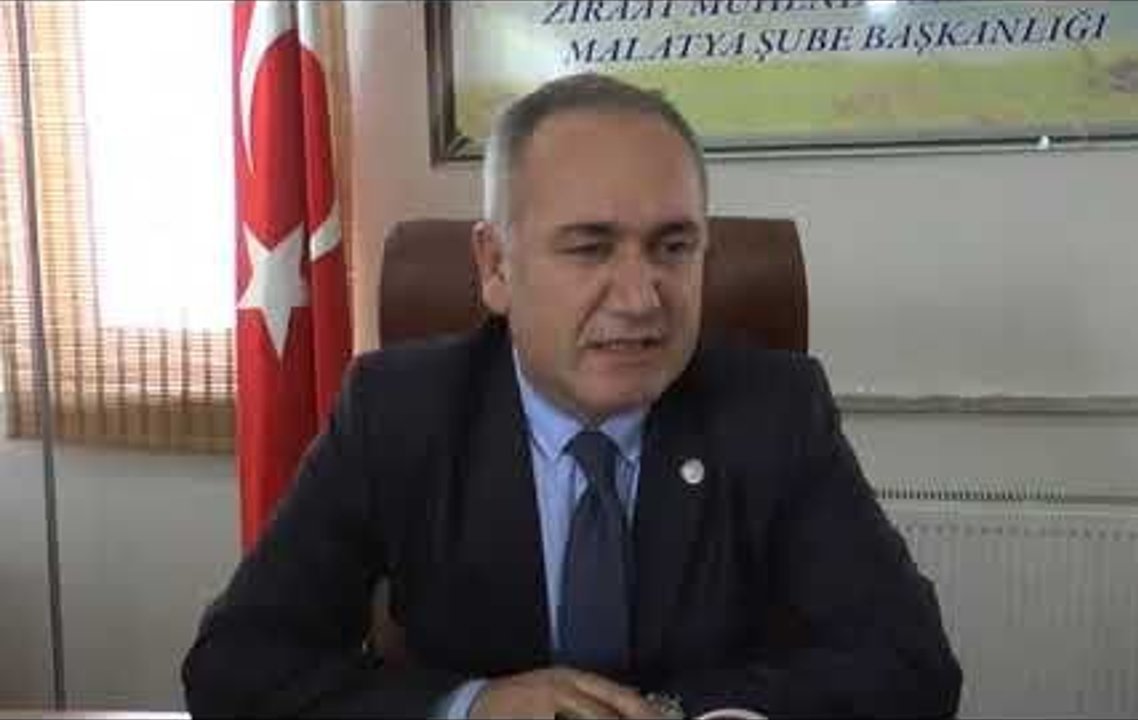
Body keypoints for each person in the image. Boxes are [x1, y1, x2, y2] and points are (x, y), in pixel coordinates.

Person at [182, 72, 961, 718]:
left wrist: (673, 714)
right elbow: (235, 665)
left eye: (674, 247)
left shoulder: (774, 410)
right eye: (591, 248)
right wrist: (469, 708)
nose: (642, 297)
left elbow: (910, 665)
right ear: (495, 267)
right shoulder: (398, 413)